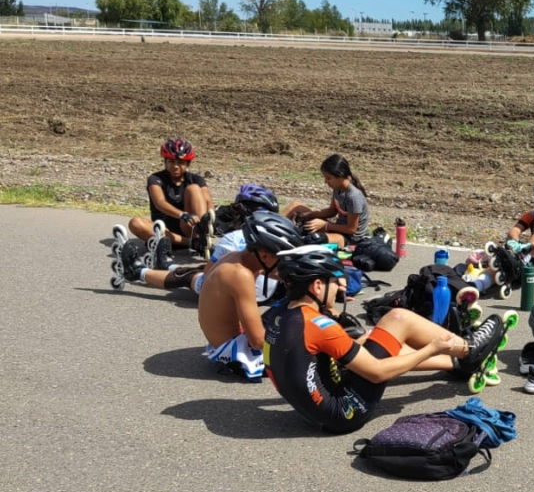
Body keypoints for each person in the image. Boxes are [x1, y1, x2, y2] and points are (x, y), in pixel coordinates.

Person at [262, 246, 510, 434]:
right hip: (345, 413)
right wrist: (432, 348)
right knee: (398, 318)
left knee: (376, 337)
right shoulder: (320, 326)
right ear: (317, 286)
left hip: (313, 411)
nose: (339, 288)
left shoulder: (278, 312)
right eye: (333, 281)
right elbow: (378, 373)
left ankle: (456, 363)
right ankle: (470, 350)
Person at [111, 184, 283, 303]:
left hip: (238, 296)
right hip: (267, 293)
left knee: (190, 277)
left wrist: (196, 273)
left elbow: (208, 274)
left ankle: (138, 272)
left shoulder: (234, 238)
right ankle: (168, 265)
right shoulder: (281, 234)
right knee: (218, 267)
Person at [197, 210, 304, 381]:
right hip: (235, 352)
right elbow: (258, 341)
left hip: (224, 341)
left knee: (292, 308)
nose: (284, 263)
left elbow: (276, 273)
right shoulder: (240, 275)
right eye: (282, 258)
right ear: (263, 255)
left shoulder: (236, 258)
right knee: (304, 331)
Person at [112, 138, 218, 258]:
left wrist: (211, 220)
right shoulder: (155, 179)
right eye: (171, 162)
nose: (175, 166)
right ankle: (193, 244)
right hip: (164, 232)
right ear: (165, 162)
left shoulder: (196, 179)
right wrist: (182, 215)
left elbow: (208, 202)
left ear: (187, 163)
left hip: (189, 228)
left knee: (193, 188)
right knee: (135, 223)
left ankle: (202, 236)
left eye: (180, 162)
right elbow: (160, 202)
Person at [281, 154, 369, 247]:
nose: (325, 182)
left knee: (312, 240)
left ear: (340, 175)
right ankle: (271, 227)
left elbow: (351, 229)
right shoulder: (338, 188)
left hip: (350, 239)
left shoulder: (353, 196)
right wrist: (310, 215)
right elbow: (331, 211)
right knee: (296, 206)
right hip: (337, 229)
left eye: (328, 178)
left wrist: (325, 225)